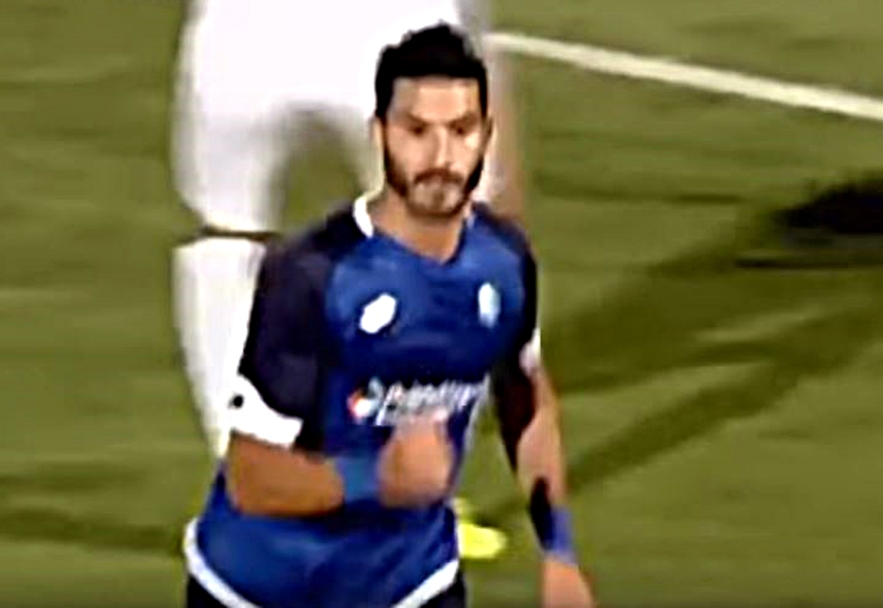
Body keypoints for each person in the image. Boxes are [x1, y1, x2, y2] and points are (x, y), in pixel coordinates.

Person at [181, 24, 594, 608]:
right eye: (417, 131)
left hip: (414, 585)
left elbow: (525, 401)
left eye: (461, 131)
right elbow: (252, 477)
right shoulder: (316, 276)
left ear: (486, 136)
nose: (441, 158)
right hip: (259, 590)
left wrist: (559, 554)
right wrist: (378, 480)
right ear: (380, 134)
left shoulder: (503, 263)